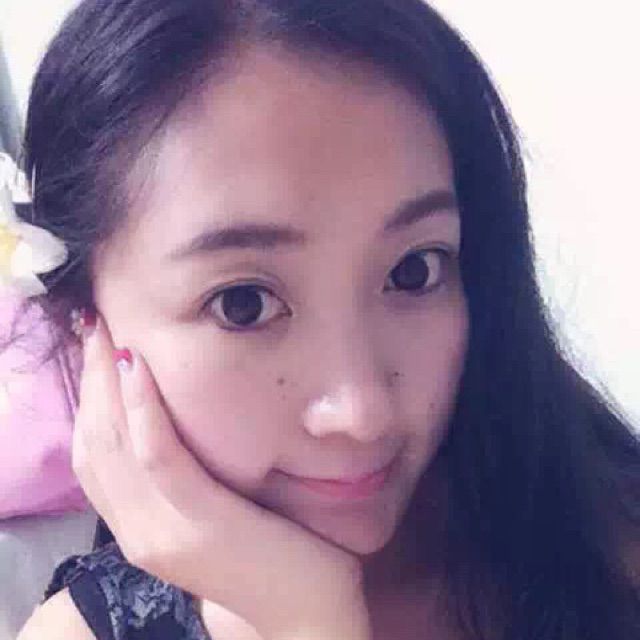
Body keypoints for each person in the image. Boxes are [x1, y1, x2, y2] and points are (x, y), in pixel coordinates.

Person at [8, 0, 639, 638]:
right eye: (243, 304)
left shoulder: (611, 533)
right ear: (84, 320)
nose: (362, 412)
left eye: (414, 271)